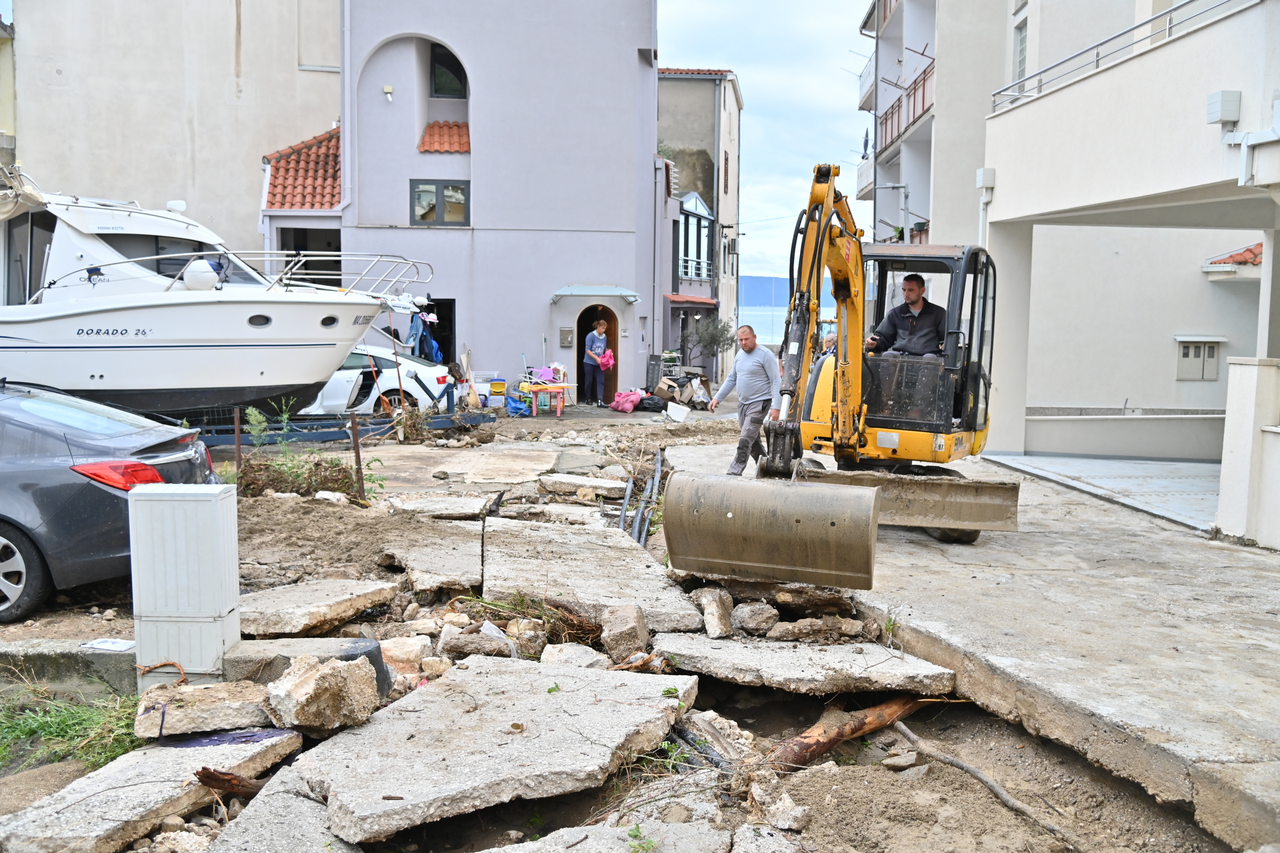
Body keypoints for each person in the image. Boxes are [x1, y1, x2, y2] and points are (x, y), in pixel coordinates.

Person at [709, 325, 781, 476]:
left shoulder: (765, 355)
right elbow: (731, 379)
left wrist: (776, 407)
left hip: (760, 403)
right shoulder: (739, 355)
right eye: (740, 340)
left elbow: (776, 380)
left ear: (754, 337)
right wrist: (717, 398)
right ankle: (768, 469)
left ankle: (734, 473)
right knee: (752, 441)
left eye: (746, 339)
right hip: (743, 404)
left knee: (745, 439)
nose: (743, 343)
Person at [864, 273, 946, 357]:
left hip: (929, 358)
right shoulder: (895, 314)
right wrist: (873, 343)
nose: (906, 294)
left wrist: (944, 345)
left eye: (910, 290)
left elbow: (947, 339)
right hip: (902, 359)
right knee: (888, 355)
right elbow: (884, 338)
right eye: (904, 290)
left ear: (922, 290)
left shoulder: (938, 313)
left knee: (930, 358)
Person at [582, 318, 609, 407]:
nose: (604, 330)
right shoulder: (590, 336)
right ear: (598, 327)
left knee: (601, 380)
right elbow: (587, 350)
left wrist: (609, 352)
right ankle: (588, 398)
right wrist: (596, 358)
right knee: (589, 380)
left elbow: (604, 348)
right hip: (589, 362)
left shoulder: (604, 337)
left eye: (605, 328)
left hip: (600, 363)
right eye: (602, 328)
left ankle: (600, 400)